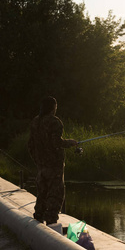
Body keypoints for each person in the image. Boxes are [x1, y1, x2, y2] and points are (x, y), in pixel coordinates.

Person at [28, 96, 77, 225]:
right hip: (54, 165)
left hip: (41, 165)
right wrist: (69, 143)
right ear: (53, 107)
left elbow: (30, 145)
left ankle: (38, 216)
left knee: (42, 192)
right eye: (55, 106)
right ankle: (51, 221)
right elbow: (56, 142)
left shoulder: (35, 122)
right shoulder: (55, 122)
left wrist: (37, 160)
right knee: (56, 194)